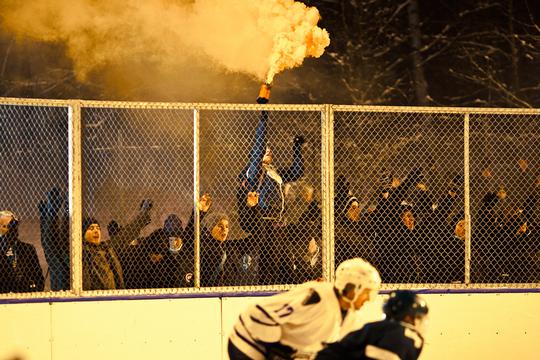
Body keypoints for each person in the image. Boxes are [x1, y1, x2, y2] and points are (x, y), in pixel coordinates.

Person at [228, 258, 381, 360]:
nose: (368, 299)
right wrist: (274, 348)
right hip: (247, 340)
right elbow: (259, 313)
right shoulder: (318, 298)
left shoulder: (351, 317)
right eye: (366, 293)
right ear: (351, 288)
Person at [236, 90, 306, 284]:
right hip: (264, 221)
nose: (268, 152)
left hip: (279, 223)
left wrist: (296, 148)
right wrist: (264, 114)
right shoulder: (254, 172)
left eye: (269, 150)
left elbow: (298, 171)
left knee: (286, 268)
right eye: (264, 151)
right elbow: (258, 145)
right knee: (269, 268)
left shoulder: (275, 172)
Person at [315, 290, 429, 360]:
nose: (420, 322)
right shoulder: (402, 335)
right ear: (407, 317)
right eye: (418, 317)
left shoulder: (378, 328)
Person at [0, 210, 44, 293]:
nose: (9, 230)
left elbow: (39, 279)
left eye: (12, 226)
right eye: (5, 226)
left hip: (24, 293)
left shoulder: (27, 249)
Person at [82, 217, 124, 290]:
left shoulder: (107, 248)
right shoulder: (82, 252)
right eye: (91, 228)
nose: (96, 231)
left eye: (98, 228)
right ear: (83, 233)